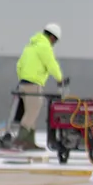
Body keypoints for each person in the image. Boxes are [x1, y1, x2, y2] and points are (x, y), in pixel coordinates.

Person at [13, 23, 63, 151]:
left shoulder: (30, 46)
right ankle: (19, 140)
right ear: (52, 37)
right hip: (33, 83)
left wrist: (22, 78)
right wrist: (59, 78)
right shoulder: (44, 46)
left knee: (31, 112)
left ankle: (29, 142)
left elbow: (19, 65)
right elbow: (51, 64)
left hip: (23, 83)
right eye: (55, 41)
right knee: (32, 112)